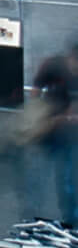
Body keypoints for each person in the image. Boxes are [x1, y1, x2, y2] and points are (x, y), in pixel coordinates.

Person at [32, 45, 78, 226]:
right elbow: (36, 88)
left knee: (65, 176)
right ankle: (38, 212)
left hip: (68, 133)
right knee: (44, 173)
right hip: (50, 128)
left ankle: (70, 219)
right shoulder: (54, 65)